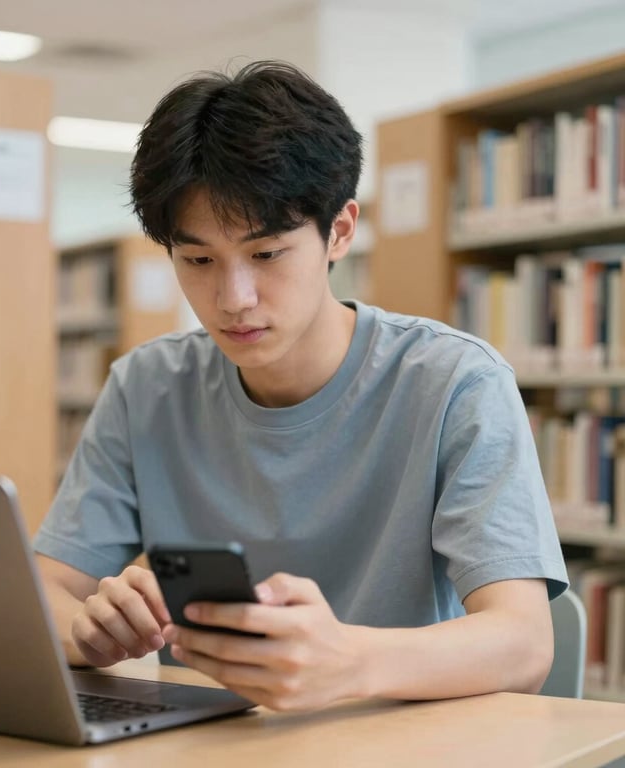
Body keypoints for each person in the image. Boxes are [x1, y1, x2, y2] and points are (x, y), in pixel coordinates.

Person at [34, 60, 568, 711]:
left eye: (266, 254)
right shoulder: (145, 386)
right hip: (213, 743)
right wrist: (87, 629)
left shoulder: (457, 383)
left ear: (339, 231)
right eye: (198, 259)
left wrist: (348, 662)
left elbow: (523, 644)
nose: (233, 298)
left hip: (402, 738)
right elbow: (40, 590)